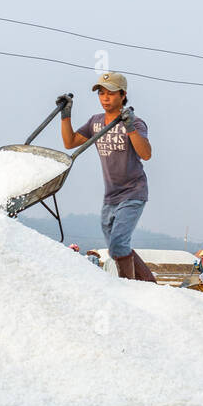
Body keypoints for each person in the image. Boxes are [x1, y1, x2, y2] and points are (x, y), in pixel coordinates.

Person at [58, 73, 155, 282]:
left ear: (123, 95)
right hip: (111, 195)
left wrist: (129, 127)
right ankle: (150, 284)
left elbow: (146, 153)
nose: (105, 98)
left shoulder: (136, 123)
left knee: (119, 243)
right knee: (117, 247)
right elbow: (71, 142)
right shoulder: (96, 122)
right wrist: (65, 116)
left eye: (111, 93)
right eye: (101, 93)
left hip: (133, 191)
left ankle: (127, 288)